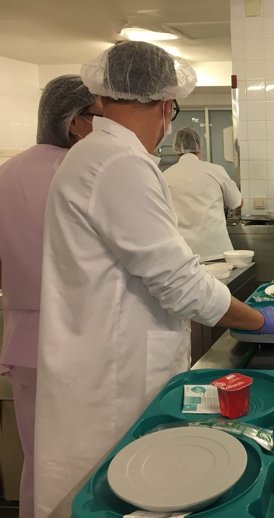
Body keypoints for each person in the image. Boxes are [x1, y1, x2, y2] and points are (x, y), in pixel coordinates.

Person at [33, 42, 274, 518]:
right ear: (165, 104)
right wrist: (256, 319)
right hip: (112, 379)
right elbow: (181, 284)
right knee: (111, 493)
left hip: (104, 362)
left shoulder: (95, 154)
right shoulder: (119, 163)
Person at [0, 75, 100, 518]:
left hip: (24, 344)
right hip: (79, 340)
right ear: (77, 122)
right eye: (103, 116)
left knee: (38, 463)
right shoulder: (81, 174)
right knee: (83, 466)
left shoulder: (7, 173)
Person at [165, 127, 243, 261]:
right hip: (217, 250)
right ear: (199, 146)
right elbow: (237, 203)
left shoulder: (165, 176)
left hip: (184, 256)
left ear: (175, 148)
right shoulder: (215, 170)